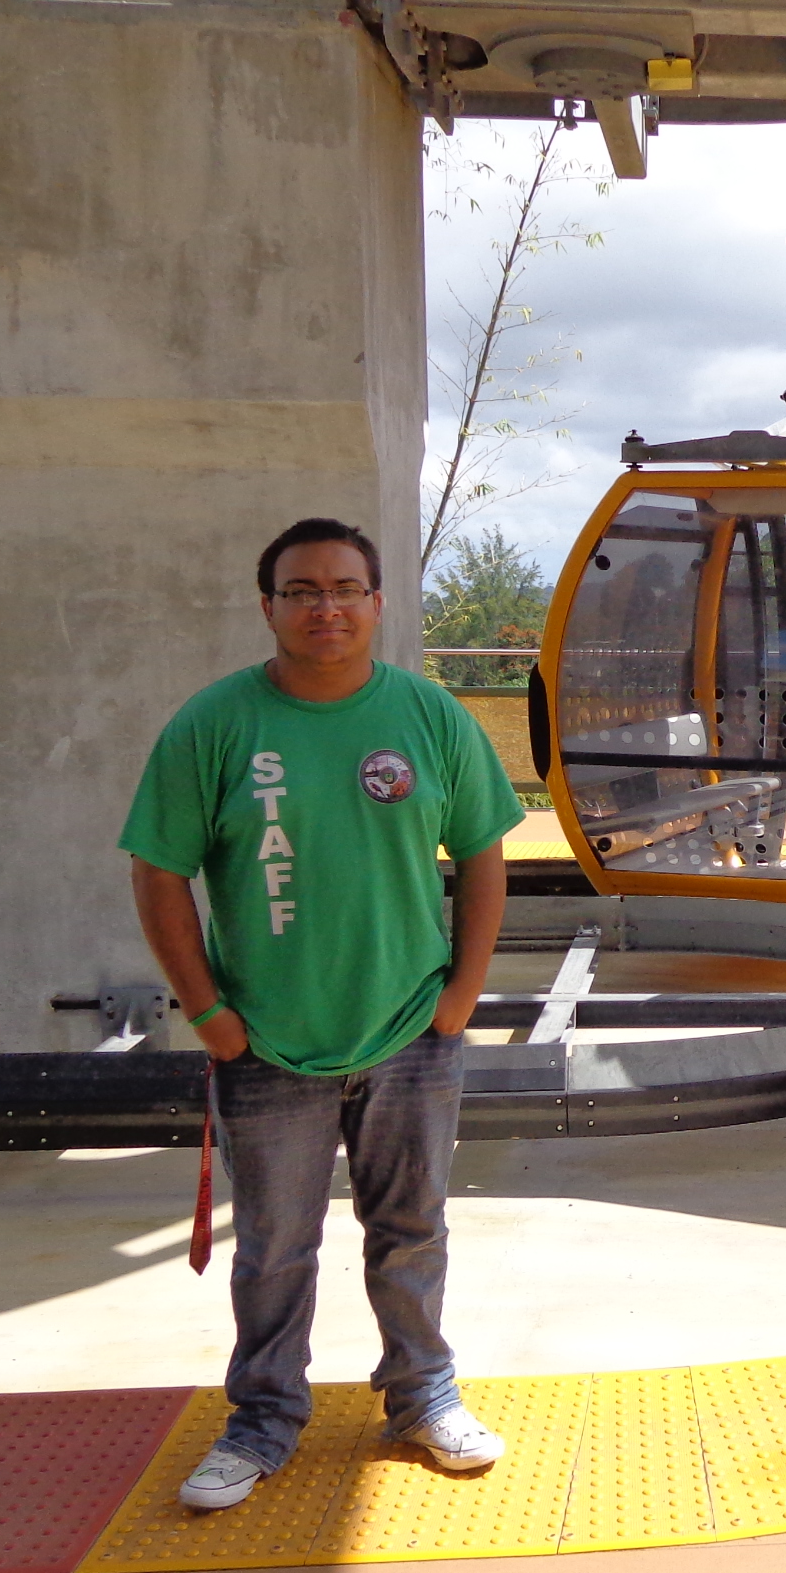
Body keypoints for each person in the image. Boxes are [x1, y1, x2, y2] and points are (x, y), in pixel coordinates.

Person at [120, 516, 520, 1512]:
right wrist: (208, 1012)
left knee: (411, 1229)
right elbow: (158, 871)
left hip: (409, 1031)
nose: (325, 607)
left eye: (345, 588)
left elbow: (482, 855)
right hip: (266, 1042)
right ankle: (261, 1421)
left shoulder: (429, 716)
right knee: (273, 1248)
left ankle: (422, 1395)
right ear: (269, 608)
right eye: (302, 590)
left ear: (377, 603)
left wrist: (460, 997)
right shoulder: (215, 724)